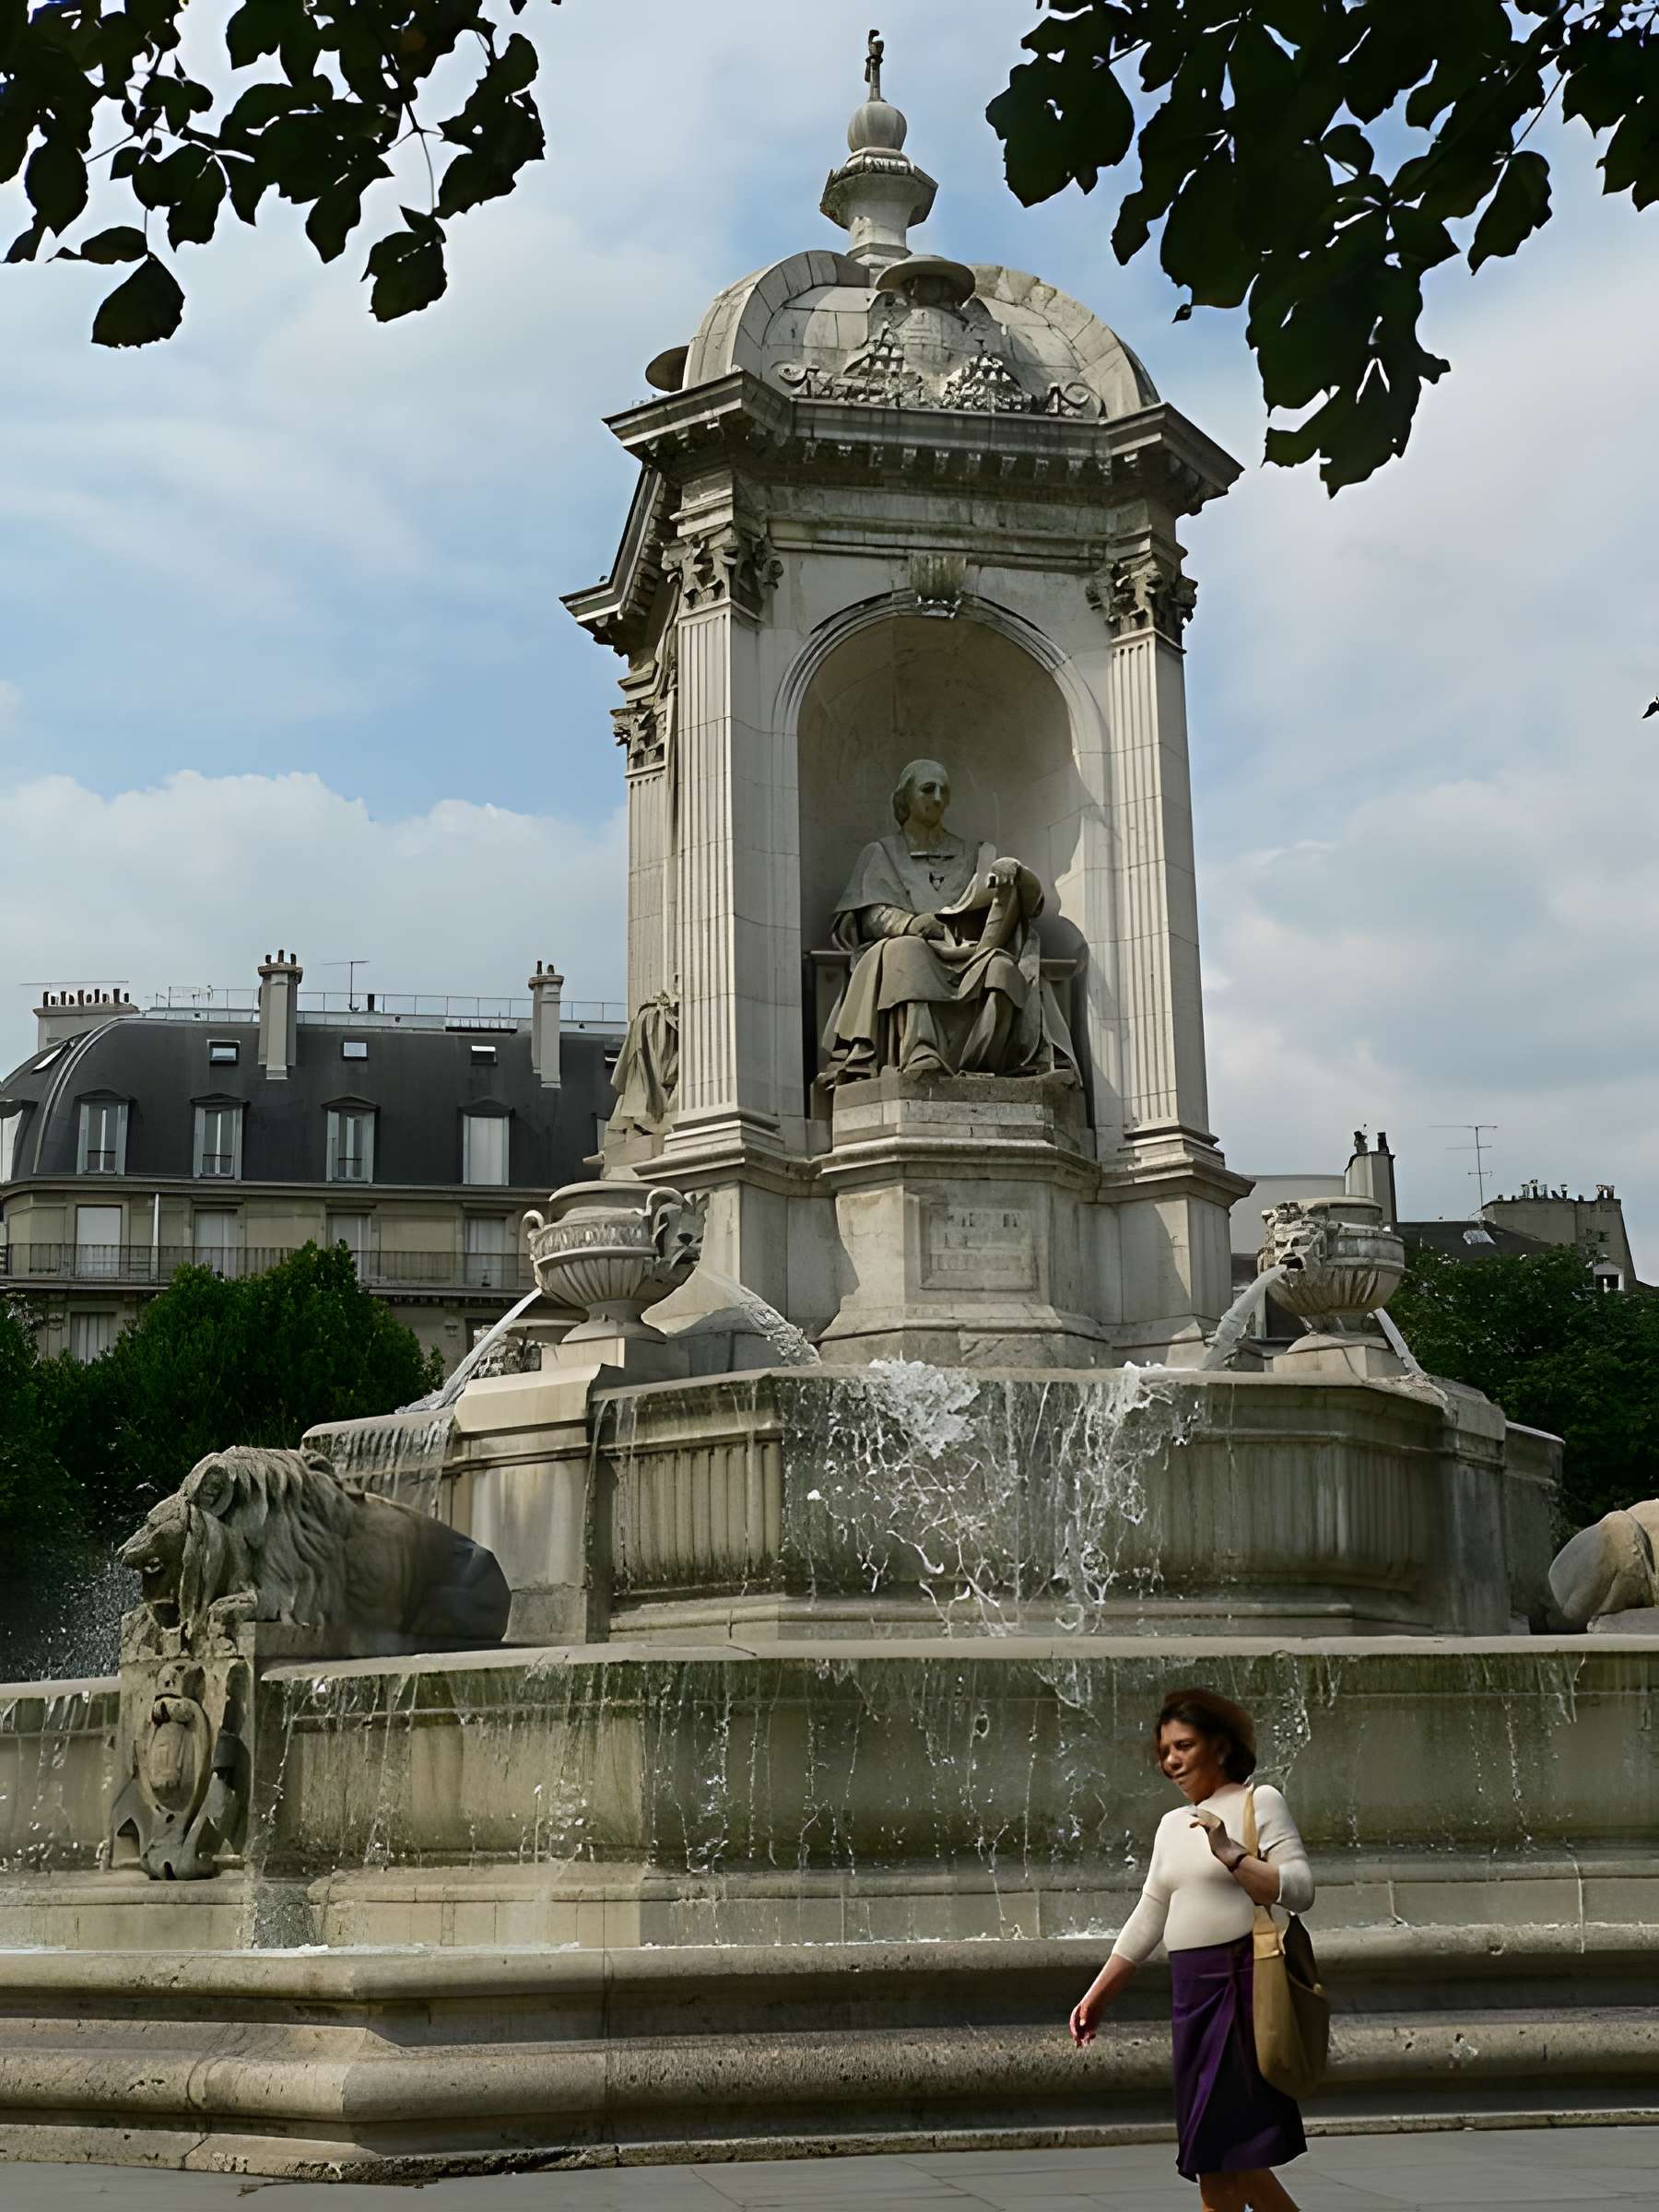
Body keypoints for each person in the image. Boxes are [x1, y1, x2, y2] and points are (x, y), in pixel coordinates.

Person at [1069, 1688, 1312, 2211]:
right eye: (1165, 1751)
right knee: (1224, 2155)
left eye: (1184, 1745)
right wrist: (1098, 1995)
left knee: (1221, 2153)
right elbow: (1149, 1915)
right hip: (1191, 1996)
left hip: (1240, 1985)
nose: (1172, 1761)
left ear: (1221, 1747)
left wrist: (1232, 1854)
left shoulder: (1258, 1802)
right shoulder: (1170, 1826)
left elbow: (1300, 1888)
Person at [822, 757, 1077, 1086]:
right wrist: (910, 924)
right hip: (914, 945)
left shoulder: (976, 853)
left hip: (970, 952)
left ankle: (985, 1064)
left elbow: (1030, 902)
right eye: (928, 790)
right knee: (907, 952)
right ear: (905, 798)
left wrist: (1014, 872)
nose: (938, 799)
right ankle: (920, 1050)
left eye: (944, 791)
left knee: (1001, 967)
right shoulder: (882, 853)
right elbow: (869, 915)